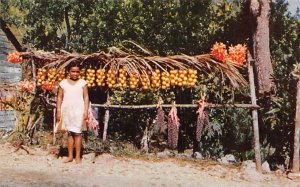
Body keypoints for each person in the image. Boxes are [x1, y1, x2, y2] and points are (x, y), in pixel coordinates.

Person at [56, 64, 89, 164]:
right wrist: (58, 110)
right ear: (69, 72)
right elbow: (59, 97)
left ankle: (78, 157)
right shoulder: (63, 83)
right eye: (73, 71)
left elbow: (86, 97)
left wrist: (86, 110)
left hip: (79, 110)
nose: (75, 73)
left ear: (80, 72)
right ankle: (70, 156)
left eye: (77, 72)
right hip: (67, 110)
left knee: (78, 133)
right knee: (69, 133)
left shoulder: (83, 83)